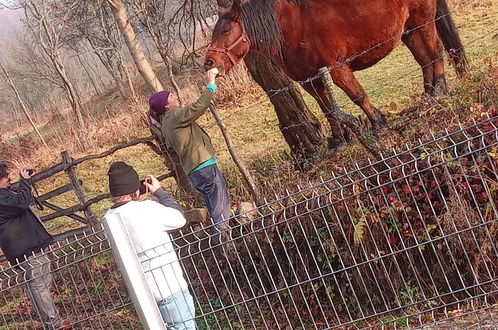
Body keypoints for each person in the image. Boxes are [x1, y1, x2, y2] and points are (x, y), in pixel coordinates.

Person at [104, 161, 195, 329]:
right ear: (135, 190)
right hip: (170, 286)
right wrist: (160, 192)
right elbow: (179, 219)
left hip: (144, 295)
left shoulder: (108, 219)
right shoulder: (146, 209)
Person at [148, 68, 231, 232]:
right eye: (171, 96)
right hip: (203, 166)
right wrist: (211, 86)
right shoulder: (174, 116)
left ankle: (220, 241)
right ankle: (225, 244)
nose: (176, 96)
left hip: (194, 170)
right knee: (220, 206)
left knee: (213, 205)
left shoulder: (166, 123)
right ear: (166, 105)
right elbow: (199, 107)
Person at [0, 163, 63, 329]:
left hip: (28, 245)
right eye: (5, 176)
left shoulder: (4, 195)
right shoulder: (1, 198)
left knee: (41, 283)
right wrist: (24, 182)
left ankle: (50, 320)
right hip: (25, 247)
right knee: (38, 285)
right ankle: (53, 324)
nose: (8, 178)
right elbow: (21, 202)